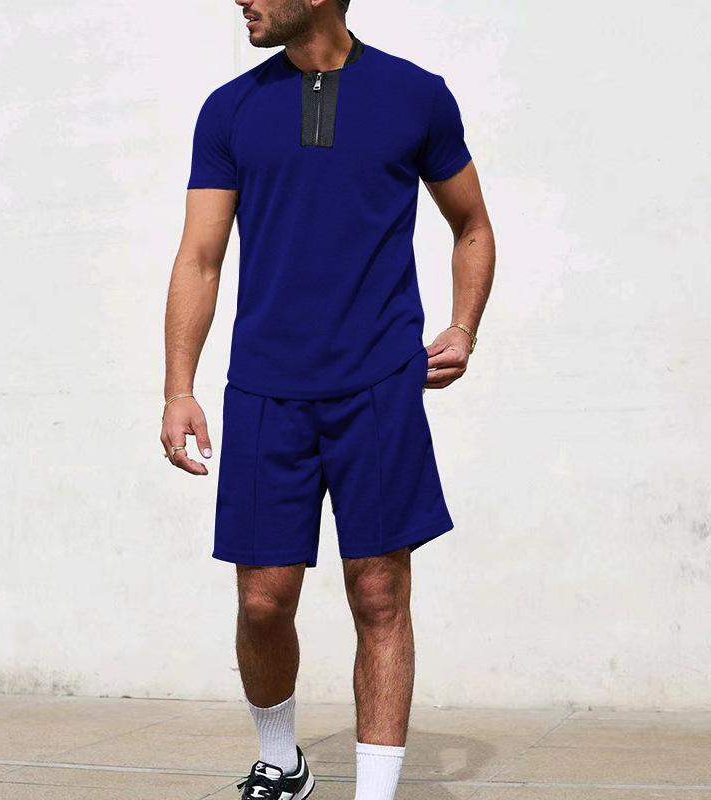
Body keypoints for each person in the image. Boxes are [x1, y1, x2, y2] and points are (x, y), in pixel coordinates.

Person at [161, 0, 494, 797]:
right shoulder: (230, 110)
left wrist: (463, 326)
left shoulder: (416, 96)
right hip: (266, 390)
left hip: (378, 387)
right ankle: (282, 761)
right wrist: (179, 388)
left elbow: (472, 225)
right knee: (263, 601)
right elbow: (200, 257)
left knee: (379, 596)